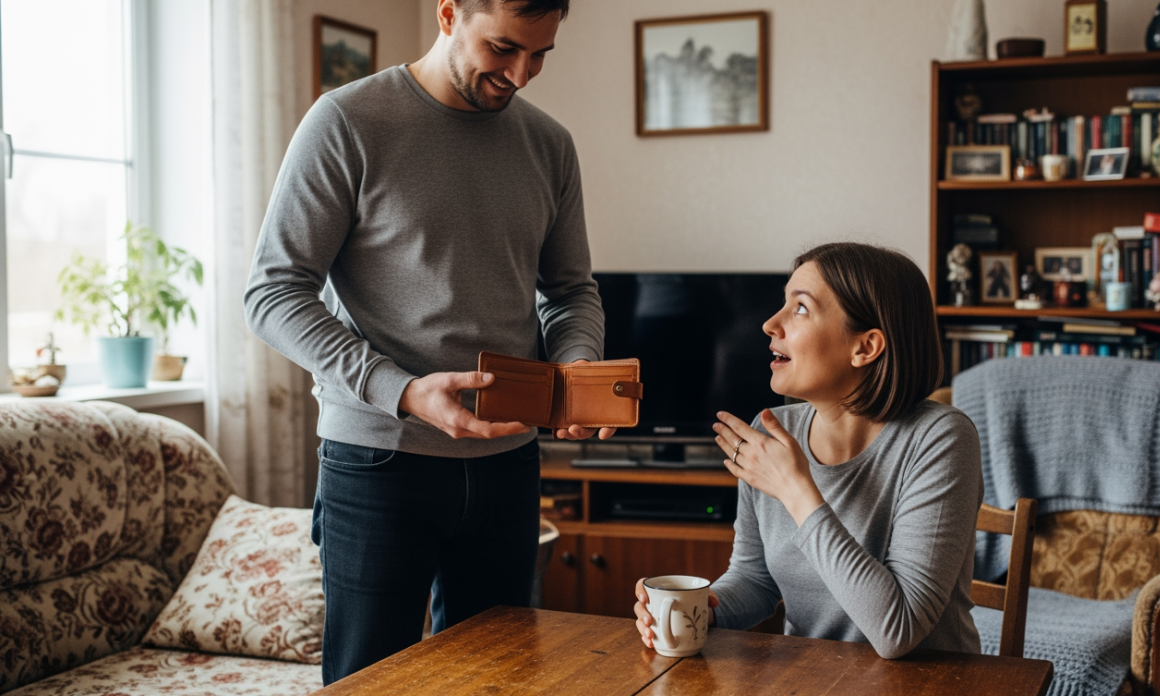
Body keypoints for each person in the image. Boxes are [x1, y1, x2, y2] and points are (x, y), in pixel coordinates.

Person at [244, 0, 610, 684]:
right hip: (379, 460)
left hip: (508, 465)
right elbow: (272, 294)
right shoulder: (347, 121)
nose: (521, 74)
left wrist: (575, 368)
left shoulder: (550, 144)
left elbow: (569, 291)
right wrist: (404, 391)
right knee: (368, 681)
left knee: (496, 681)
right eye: (503, 48)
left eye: (539, 55)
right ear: (447, 14)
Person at [632, 242, 983, 659]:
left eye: (800, 308)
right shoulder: (772, 432)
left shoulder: (940, 439)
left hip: (929, 682)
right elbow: (755, 579)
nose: (769, 324)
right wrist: (700, 612)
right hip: (809, 678)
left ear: (865, 347)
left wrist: (795, 490)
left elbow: (898, 630)